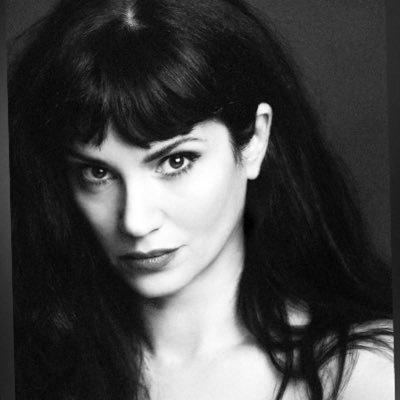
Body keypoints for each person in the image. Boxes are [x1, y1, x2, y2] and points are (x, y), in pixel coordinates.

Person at [8, 0, 393, 399]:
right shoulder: (32, 367)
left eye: (175, 161)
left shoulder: (363, 377)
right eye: (97, 173)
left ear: (254, 141)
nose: (135, 221)